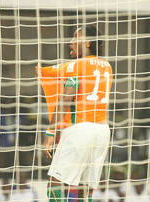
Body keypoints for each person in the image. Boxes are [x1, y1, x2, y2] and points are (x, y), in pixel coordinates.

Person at [35, 24, 113, 202]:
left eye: (75, 38)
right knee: (86, 190)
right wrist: (43, 71)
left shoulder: (76, 66)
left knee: (55, 184)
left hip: (80, 130)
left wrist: (50, 132)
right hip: (102, 131)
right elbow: (57, 69)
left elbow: (64, 100)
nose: (70, 42)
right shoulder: (107, 66)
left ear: (87, 43)